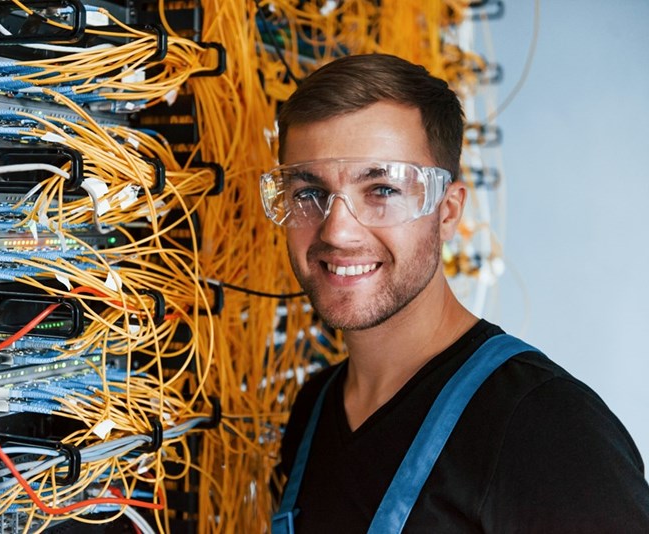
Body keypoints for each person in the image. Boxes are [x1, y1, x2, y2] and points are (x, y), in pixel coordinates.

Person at [260, 54, 649, 533]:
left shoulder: (545, 428)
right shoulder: (314, 411)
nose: (338, 231)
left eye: (381, 190)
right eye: (307, 193)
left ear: (447, 212)